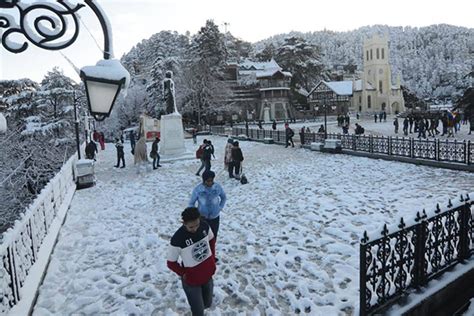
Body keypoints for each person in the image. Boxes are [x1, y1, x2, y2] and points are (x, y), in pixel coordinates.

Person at [167, 207, 216, 316]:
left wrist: (212, 258)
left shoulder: (204, 226)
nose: (194, 229)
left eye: (197, 225)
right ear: (184, 223)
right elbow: (171, 263)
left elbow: (211, 240)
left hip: (207, 274)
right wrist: (183, 273)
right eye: (191, 227)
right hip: (192, 281)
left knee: (207, 303)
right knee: (198, 312)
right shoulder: (177, 239)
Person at [188, 170, 226, 242]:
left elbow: (223, 197)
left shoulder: (217, 187)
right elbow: (191, 203)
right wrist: (195, 214)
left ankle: (212, 251)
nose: (210, 182)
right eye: (208, 181)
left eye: (211, 180)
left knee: (213, 236)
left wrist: (220, 207)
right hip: (202, 218)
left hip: (215, 217)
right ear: (204, 180)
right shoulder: (198, 189)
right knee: (202, 237)